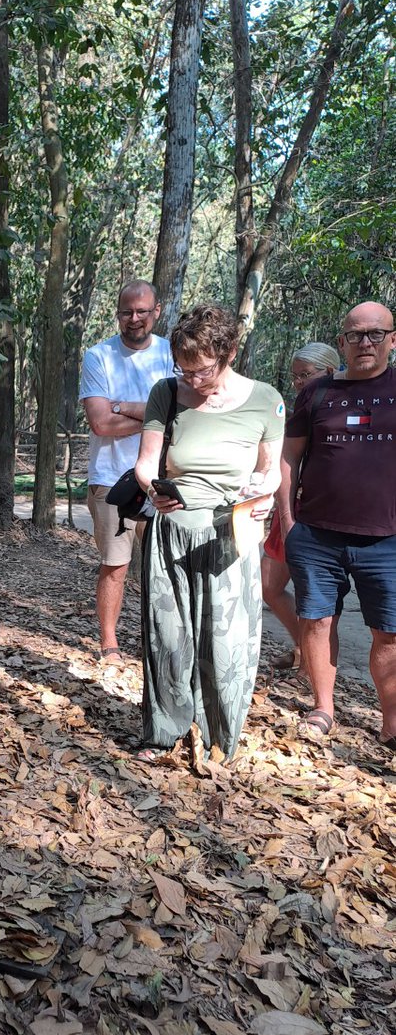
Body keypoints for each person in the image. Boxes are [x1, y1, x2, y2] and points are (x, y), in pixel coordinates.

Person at [134, 304, 285, 761]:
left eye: (202, 370)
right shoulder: (166, 393)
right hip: (173, 532)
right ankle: (165, 733)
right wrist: (153, 488)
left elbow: (270, 471)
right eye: (184, 370)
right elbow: (147, 463)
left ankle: (219, 738)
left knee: (225, 643)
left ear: (229, 353)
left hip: (230, 535)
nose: (193, 380)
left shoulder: (265, 400)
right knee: (168, 637)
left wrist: (264, 493)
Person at [279, 302, 396, 747]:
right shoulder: (317, 392)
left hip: (387, 539)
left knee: (389, 633)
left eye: (376, 333)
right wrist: (288, 521)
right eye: (356, 334)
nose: (366, 342)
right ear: (341, 341)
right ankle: (323, 708)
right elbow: (289, 457)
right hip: (317, 534)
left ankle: (391, 723)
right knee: (316, 621)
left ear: (392, 339)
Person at [79, 281, 173, 660]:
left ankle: (157, 643)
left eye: (142, 311)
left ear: (156, 311)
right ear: (118, 313)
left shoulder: (172, 354)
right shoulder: (98, 357)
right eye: (126, 312)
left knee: (163, 568)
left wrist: (121, 406)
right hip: (110, 477)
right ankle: (109, 643)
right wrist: (155, 415)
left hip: (163, 479)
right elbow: (101, 423)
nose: (134, 319)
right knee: (115, 565)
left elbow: (180, 413)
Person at [262, 342, 340, 670]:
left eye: (305, 375)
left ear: (330, 371)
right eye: (295, 376)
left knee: (318, 599)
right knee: (269, 586)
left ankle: (313, 664)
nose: (298, 382)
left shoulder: (342, 406)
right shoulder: (298, 406)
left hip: (324, 515)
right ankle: (303, 649)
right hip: (289, 509)